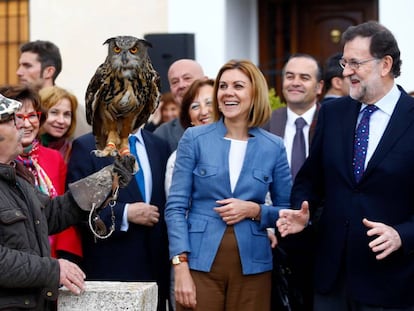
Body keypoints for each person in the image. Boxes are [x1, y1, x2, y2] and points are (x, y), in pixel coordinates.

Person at [277, 21, 414, 310]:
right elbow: (309, 181)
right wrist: (304, 212)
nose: (346, 71)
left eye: (355, 63)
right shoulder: (332, 112)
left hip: (393, 284)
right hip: (331, 280)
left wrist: (402, 234)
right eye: (344, 62)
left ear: (385, 64)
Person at [166, 59, 292, 310]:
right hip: (199, 264)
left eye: (238, 86)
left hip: (254, 268)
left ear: (254, 92)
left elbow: (285, 211)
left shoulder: (273, 146)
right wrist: (180, 267)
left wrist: (255, 211)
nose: (228, 93)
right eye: (223, 86)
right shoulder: (194, 138)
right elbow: (176, 208)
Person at [0, 92, 133, 310]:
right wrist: (53, 269)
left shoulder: (17, 179)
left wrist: (109, 179)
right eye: (12, 121)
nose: (22, 127)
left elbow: (52, 213)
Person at [67, 126, 172, 310]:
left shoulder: (160, 146)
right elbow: (77, 209)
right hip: (111, 270)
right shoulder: (87, 146)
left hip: (155, 272)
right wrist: (125, 213)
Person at [0, 84, 83, 264]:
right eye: (17, 118)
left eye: (32, 116)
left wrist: (100, 186)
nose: (25, 124)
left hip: (48, 258)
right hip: (23, 266)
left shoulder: (47, 160)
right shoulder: (11, 166)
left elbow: (53, 210)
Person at [266, 53, 323, 311]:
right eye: (290, 76)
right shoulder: (266, 123)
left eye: (304, 77)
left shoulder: (332, 122)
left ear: (319, 87)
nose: (295, 82)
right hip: (274, 236)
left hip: (320, 236)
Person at [165, 78, 214, 195]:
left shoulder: (241, 146)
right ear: (189, 117)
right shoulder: (178, 158)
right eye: (195, 106)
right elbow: (177, 207)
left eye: (209, 103)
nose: (203, 111)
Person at [153, 59, 206, 151]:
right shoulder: (162, 135)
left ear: (205, 81)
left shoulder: (228, 124)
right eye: (175, 82)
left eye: (187, 78)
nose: (181, 85)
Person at [39, 86, 78, 163]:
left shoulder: (74, 152)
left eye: (67, 114)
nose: (61, 121)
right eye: (54, 112)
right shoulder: (25, 148)